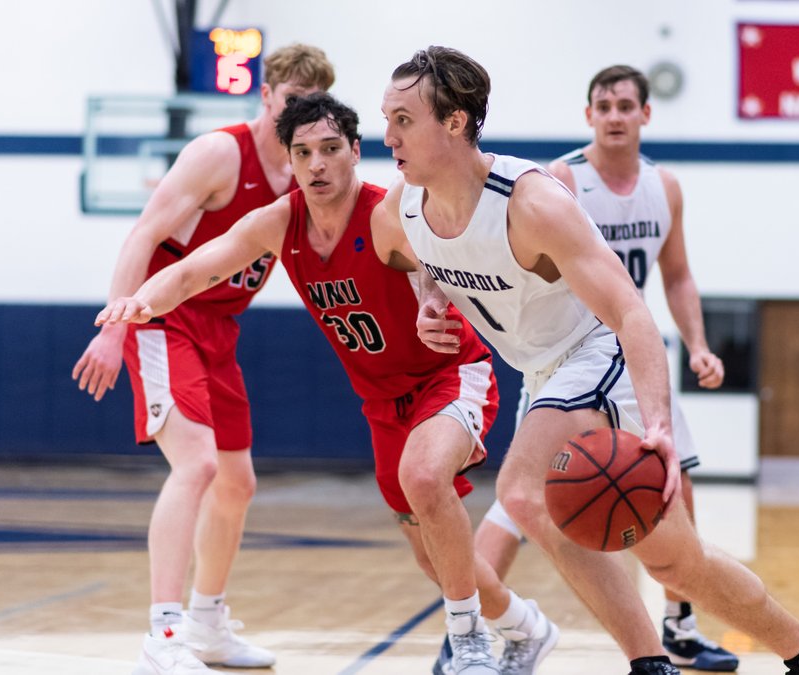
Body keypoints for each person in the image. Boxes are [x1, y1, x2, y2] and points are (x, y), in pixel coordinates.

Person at [372, 46, 799, 675]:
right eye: (386, 118)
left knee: (523, 492)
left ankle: (649, 664)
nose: (386, 134)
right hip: (542, 375)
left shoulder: (531, 203)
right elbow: (417, 263)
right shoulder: (401, 210)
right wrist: (430, 300)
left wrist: (660, 424)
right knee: (674, 560)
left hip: (597, 352)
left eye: (402, 119)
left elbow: (633, 313)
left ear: (454, 121)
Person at [94, 92, 558, 675]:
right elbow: (195, 268)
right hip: (383, 405)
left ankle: (467, 645)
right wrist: (139, 301)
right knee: (436, 556)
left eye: (331, 149)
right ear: (288, 160)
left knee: (423, 476)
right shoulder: (279, 221)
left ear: (355, 152)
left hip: (450, 375)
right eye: (303, 152)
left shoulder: (387, 211)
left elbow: (429, 273)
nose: (317, 164)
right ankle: (526, 626)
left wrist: (429, 305)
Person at [71, 44, 335, 674]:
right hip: (163, 318)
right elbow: (144, 233)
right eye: (290, 98)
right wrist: (113, 327)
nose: (298, 111)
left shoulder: (307, 172)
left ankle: (208, 623)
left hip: (221, 330)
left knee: (238, 484)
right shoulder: (220, 154)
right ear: (266, 96)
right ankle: (162, 637)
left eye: (311, 102)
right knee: (196, 467)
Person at [470, 64, 738, 672]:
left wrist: (696, 345)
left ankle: (680, 626)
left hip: (633, 353)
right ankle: (468, 628)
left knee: (676, 483)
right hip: (568, 353)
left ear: (646, 114)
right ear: (588, 115)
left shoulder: (664, 187)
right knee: (518, 498)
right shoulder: (563, 179)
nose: (614, 115)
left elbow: (677, 275)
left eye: (625, 105)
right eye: (603, 106)